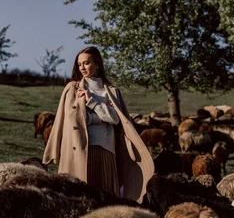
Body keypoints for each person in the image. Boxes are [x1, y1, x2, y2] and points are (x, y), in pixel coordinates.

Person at [43, 46, 154, 203]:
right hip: (79, 151)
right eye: (80, 64)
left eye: (87, 63)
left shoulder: (112, 92)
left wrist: (92, 102)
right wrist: (52, 150)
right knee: (79, 199)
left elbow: (115, 119)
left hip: (105, 150)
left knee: (106, 198)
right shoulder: (72, 89)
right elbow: (64, 119)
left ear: (98, 64)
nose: (82, 67)